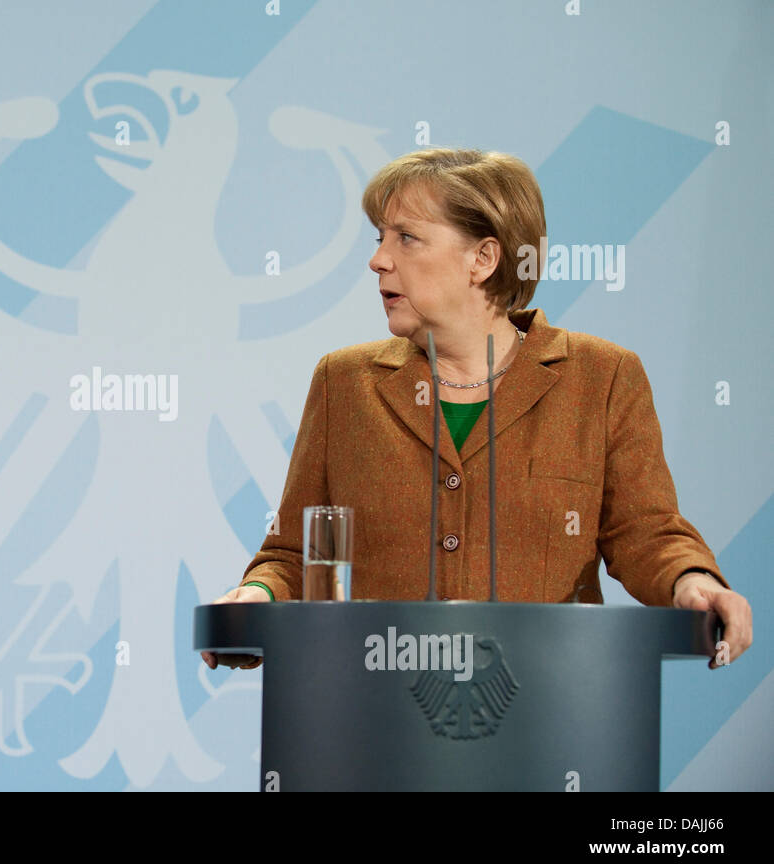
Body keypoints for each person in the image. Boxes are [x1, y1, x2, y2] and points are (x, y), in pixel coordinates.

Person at [202, 147, 752, 671]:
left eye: (407, 238)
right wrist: (255, 594)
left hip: (545, 715)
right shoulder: (343, 382)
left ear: (482, 259)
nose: (377, 260)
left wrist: (690, 580)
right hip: (370, 717)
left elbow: (646, 533)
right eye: (380, 238)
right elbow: (298, 552)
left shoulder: (601, 378)